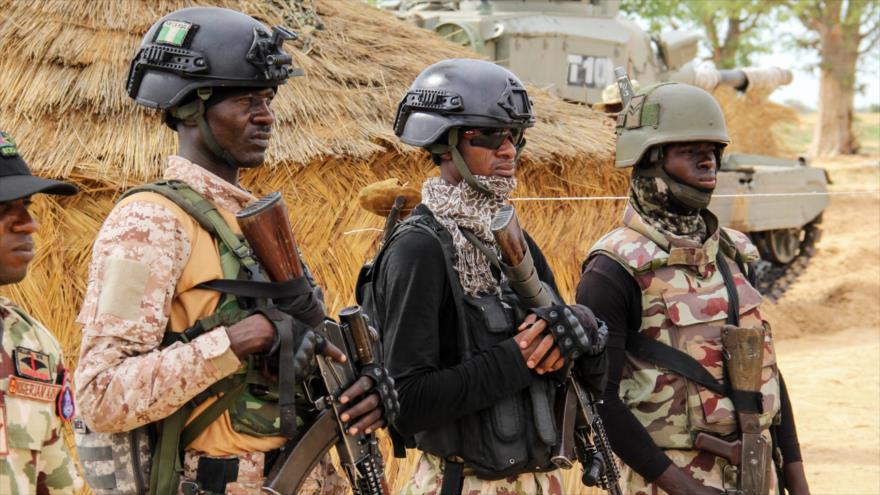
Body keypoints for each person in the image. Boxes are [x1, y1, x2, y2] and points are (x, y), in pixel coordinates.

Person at [74, 7, 394, 495]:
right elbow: (101, 396)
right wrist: (242, 338)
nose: (265, 115)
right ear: (189, 108)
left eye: (267, 99)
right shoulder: (150, 222)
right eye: (246, 101)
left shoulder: (250, 223)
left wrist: (358, 385)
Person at [372, 58, 608, 494]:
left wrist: (587, 338)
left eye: (516, 136)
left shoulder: (514, 240)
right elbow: (406, 403)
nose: (508, 150)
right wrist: (521, 358)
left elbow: (578, 379)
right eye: (489, 134)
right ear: (444, 143)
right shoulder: (419, 248)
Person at [577, 82, 810, 495]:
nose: (709, 164)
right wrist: (685, 489)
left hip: (757, 474)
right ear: (649, 160)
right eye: (690, 151)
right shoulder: (613, 268)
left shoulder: (735, 253)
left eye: (713, 151)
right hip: (666, 483)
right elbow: (600, 402)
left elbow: (766, 372)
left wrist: (796, 477)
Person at [0, 130, 82, 493]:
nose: (28, 224)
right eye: (2, 209)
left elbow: (56, 481)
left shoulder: (30, 342)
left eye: (26, 205)